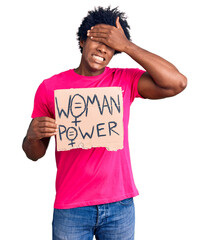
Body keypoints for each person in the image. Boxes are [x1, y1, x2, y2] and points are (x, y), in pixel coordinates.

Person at [22, 6, 187, 240]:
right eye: (97, 39)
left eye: (111, 45)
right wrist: (32, 137)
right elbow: (34, 154)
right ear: (81, 41)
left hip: (120, 205)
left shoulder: (123, 80)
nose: (102, 48)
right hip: (71, 207)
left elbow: (177, 83)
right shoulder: (50, 87)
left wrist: (128, 46)